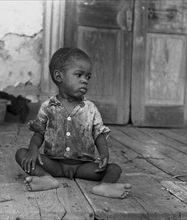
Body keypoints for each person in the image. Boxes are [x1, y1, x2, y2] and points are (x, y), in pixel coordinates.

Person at [15, 47, 131, 199]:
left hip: (83, 167)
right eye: (79, 75)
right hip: (54, 165)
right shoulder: (48, 107)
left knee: (114, 168)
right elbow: (39, 134)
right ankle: (45, 178)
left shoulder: (90, 109)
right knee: (21, 154)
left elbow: (99, 135)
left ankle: (105, 186)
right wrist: (32, 150)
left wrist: (104, 154)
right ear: (59, 76)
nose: (85, 80)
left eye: (88, 77)